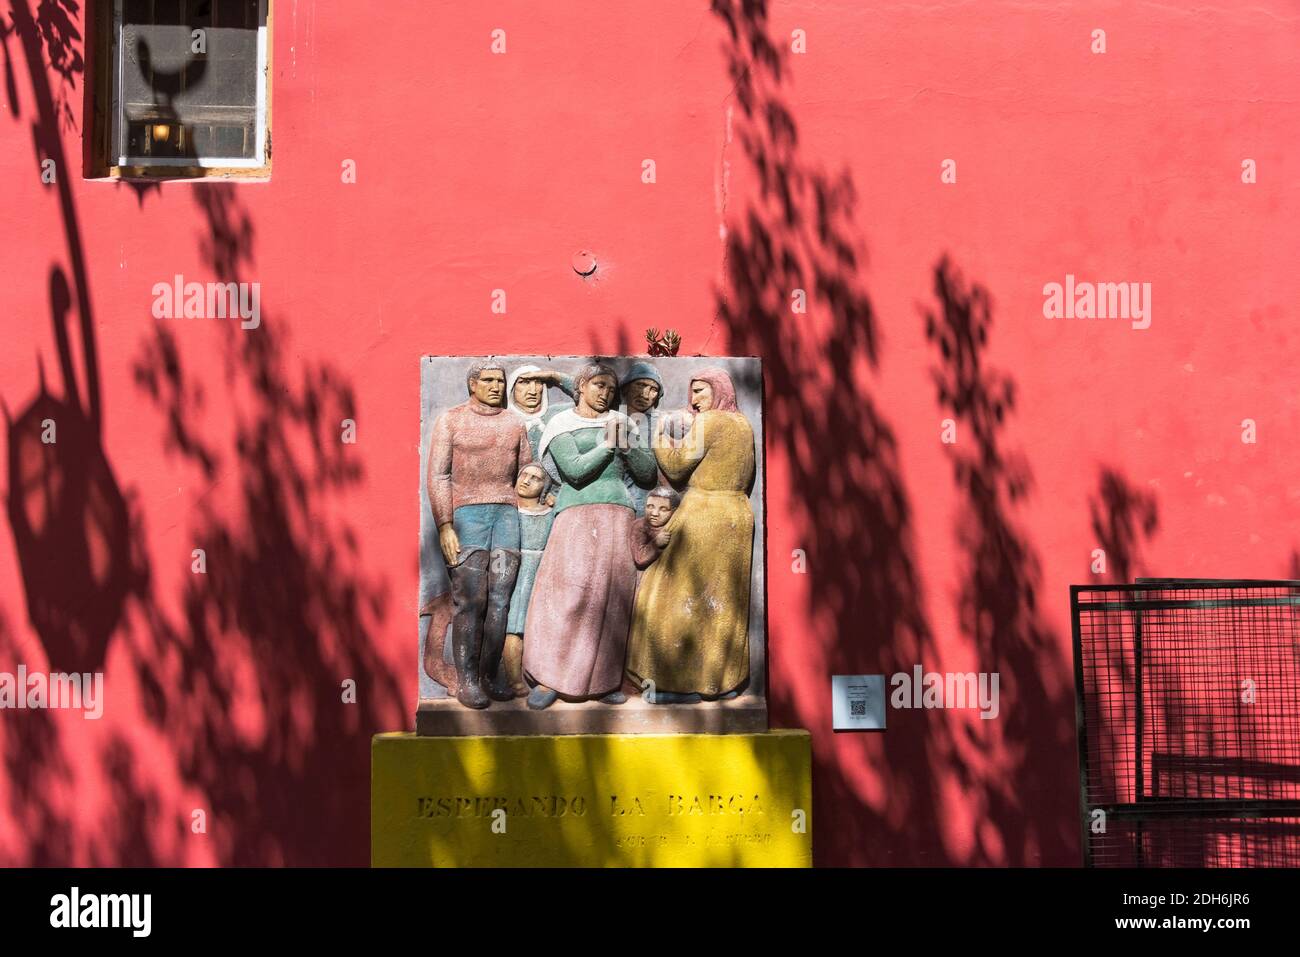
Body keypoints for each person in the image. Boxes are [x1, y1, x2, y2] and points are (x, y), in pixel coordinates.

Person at [521, 363, 658, 709]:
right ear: (581, 386)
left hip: (617, 515)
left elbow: (646, 473)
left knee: (611, 598)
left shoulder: (622, 422)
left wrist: (627, 446)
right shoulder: (562, 423)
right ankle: (550, 678)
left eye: (611, 389)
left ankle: (603, 680)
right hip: (576, 515)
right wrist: (610, 444)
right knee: (569, 595)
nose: (605, 394)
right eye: (598, 386)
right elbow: (575, 471)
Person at [626, 367, 755, 703]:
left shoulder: (710, 422)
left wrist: (660, 439)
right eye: (692, 392)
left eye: (700, 390)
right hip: (736, 515)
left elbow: (677, 465)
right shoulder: (742, 424)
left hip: (704, 513)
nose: (694, 399)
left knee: (673, 594)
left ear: (719, 390)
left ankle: (674, 682)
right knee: (723, 600)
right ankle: (718, 681)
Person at [426, 360, 533, 708]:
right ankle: (467, 679)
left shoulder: (515, 424)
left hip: (506, 516)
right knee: (471, 601)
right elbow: (439, 476)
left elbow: (527, 472)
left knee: (501, 599)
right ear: (473, 384)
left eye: (500, 381)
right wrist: (444, 525)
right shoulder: (451, 421)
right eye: (487, 380)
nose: (496, 386)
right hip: (467, 516)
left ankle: (488, 674)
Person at [501, 464, 555, 698]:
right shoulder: (507, 511)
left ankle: (543, 676)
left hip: (542, 574)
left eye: (536, 478)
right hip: (515, 573)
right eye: (524, 475)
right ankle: (514, 681)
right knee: (514, 628)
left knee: (542, 627)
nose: (527, 480)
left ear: (545, 487)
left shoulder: (550, 513)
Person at [618, 362, 665, 516]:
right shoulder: (609, 417)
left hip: (644, 503)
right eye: (640, 385)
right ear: (626, 387)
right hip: (611, 499)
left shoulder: (660, 424)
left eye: (653, 389)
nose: (645, 394)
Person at [630, 486, 679, 569]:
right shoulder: (640, 526)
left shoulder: (677, 526)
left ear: (674, 511)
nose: (655, 513)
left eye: (663, 509)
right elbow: (640, 558)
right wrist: (656, 543)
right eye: (650, 507)